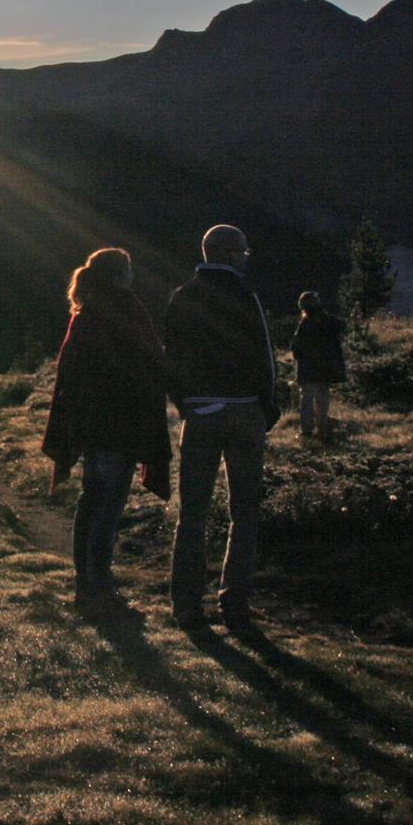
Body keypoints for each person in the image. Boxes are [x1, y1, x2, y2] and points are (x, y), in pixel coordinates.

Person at [162, 224, 279, 631]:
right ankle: (235, 605)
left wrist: (187, 404)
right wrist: (267, 407)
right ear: (230, 254)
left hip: (201, 415)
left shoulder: (183, 297)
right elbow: (265, 358)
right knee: (243, 512)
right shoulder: (246, 297)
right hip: (244, 412)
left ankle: (187, 605)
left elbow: (170, 358)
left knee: (192, 512)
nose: (246, 258)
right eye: (243, 252)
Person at [41, 247, 172, 608]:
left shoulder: (84, 316)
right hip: (122, 426)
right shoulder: (127, 311)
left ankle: (88, 583)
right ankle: (99, 584)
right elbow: (150, 363)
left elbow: (69, 373)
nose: (132, 277)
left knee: (92, 501)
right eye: (128, 271)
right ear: (119, 275)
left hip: (93, 427)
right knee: (108, 505)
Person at [290, 291, 347, 440]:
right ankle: (322, 428)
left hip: (308, 369)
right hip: (326, 367)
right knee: (322, 398)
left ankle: (307, 431)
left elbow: (296, 347)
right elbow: (342, 326)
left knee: (307, 399)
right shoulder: (329, 321)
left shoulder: (305, 324)